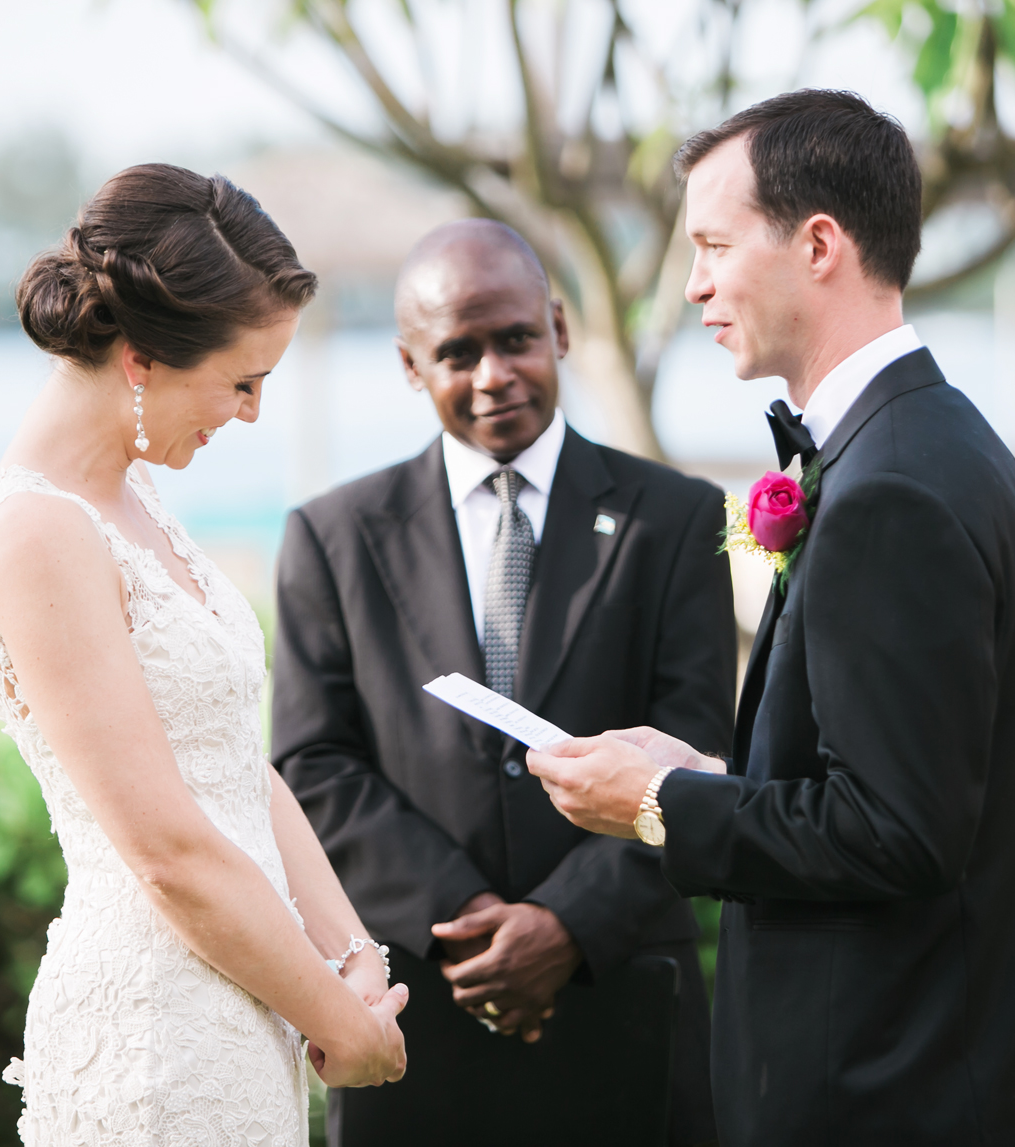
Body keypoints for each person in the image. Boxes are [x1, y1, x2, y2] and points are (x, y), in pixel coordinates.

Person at [527, 90, 1015, 1145]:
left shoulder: (891, 488)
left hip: (899, 1092)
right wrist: (712, 775)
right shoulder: (930, 442)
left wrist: (661, 802)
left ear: (819, 244)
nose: (696, 282)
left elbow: (894, 833)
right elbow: (899, 780)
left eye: (711, 244)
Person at [0, 163, 407, 1147]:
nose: (249, 412)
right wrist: (342, 1029)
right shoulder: (36, 533)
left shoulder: (137, 498)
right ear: (143, 357)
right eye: (242, 381)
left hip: (245, 1009)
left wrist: (353, 954)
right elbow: (166, 851)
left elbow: (237, 766)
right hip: (155, 1038)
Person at [272, 219, 733, 1147]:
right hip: (418, 1009)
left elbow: (697, 749)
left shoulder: (675, 519)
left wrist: (565, 925)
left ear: (559, 328)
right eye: (456, 351)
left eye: (516, 338)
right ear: (410, 365)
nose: (493, 373)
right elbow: (313, 765)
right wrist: (478, 923)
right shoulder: (332, 535)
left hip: (620, 1000)